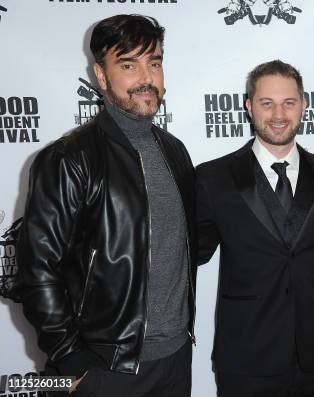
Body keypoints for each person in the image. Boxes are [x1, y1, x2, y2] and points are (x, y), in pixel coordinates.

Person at [16, 14, 197, 397]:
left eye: (155, 63)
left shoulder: (175, 151)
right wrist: (71, 360)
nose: (146, 77)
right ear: (101, 75)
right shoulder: (70, 158)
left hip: (176, 359)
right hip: (104, 367)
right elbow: (36, 269)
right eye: (128, 65)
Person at [195, 60, 314, 397]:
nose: (279, 113)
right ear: (249, 106)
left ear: (304, 105)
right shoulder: (213, 178)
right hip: (246, 358)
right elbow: (186, 254)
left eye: (289, 103)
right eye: (267, 103)